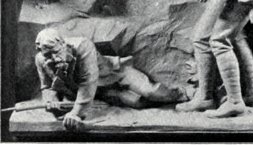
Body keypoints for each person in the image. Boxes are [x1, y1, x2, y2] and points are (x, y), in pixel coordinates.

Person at [35, 28, 187, 132]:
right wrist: (51, 100)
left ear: (63, 43)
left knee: (151, 92)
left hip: (116, 75)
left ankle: (185, 94)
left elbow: (88, 82)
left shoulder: (82, 46)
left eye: (55, 52)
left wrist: (76, 113)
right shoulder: (41, 60)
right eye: (47, 55)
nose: (53, 58)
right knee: (136, 103)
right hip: (100, 93)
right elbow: (47, 87)